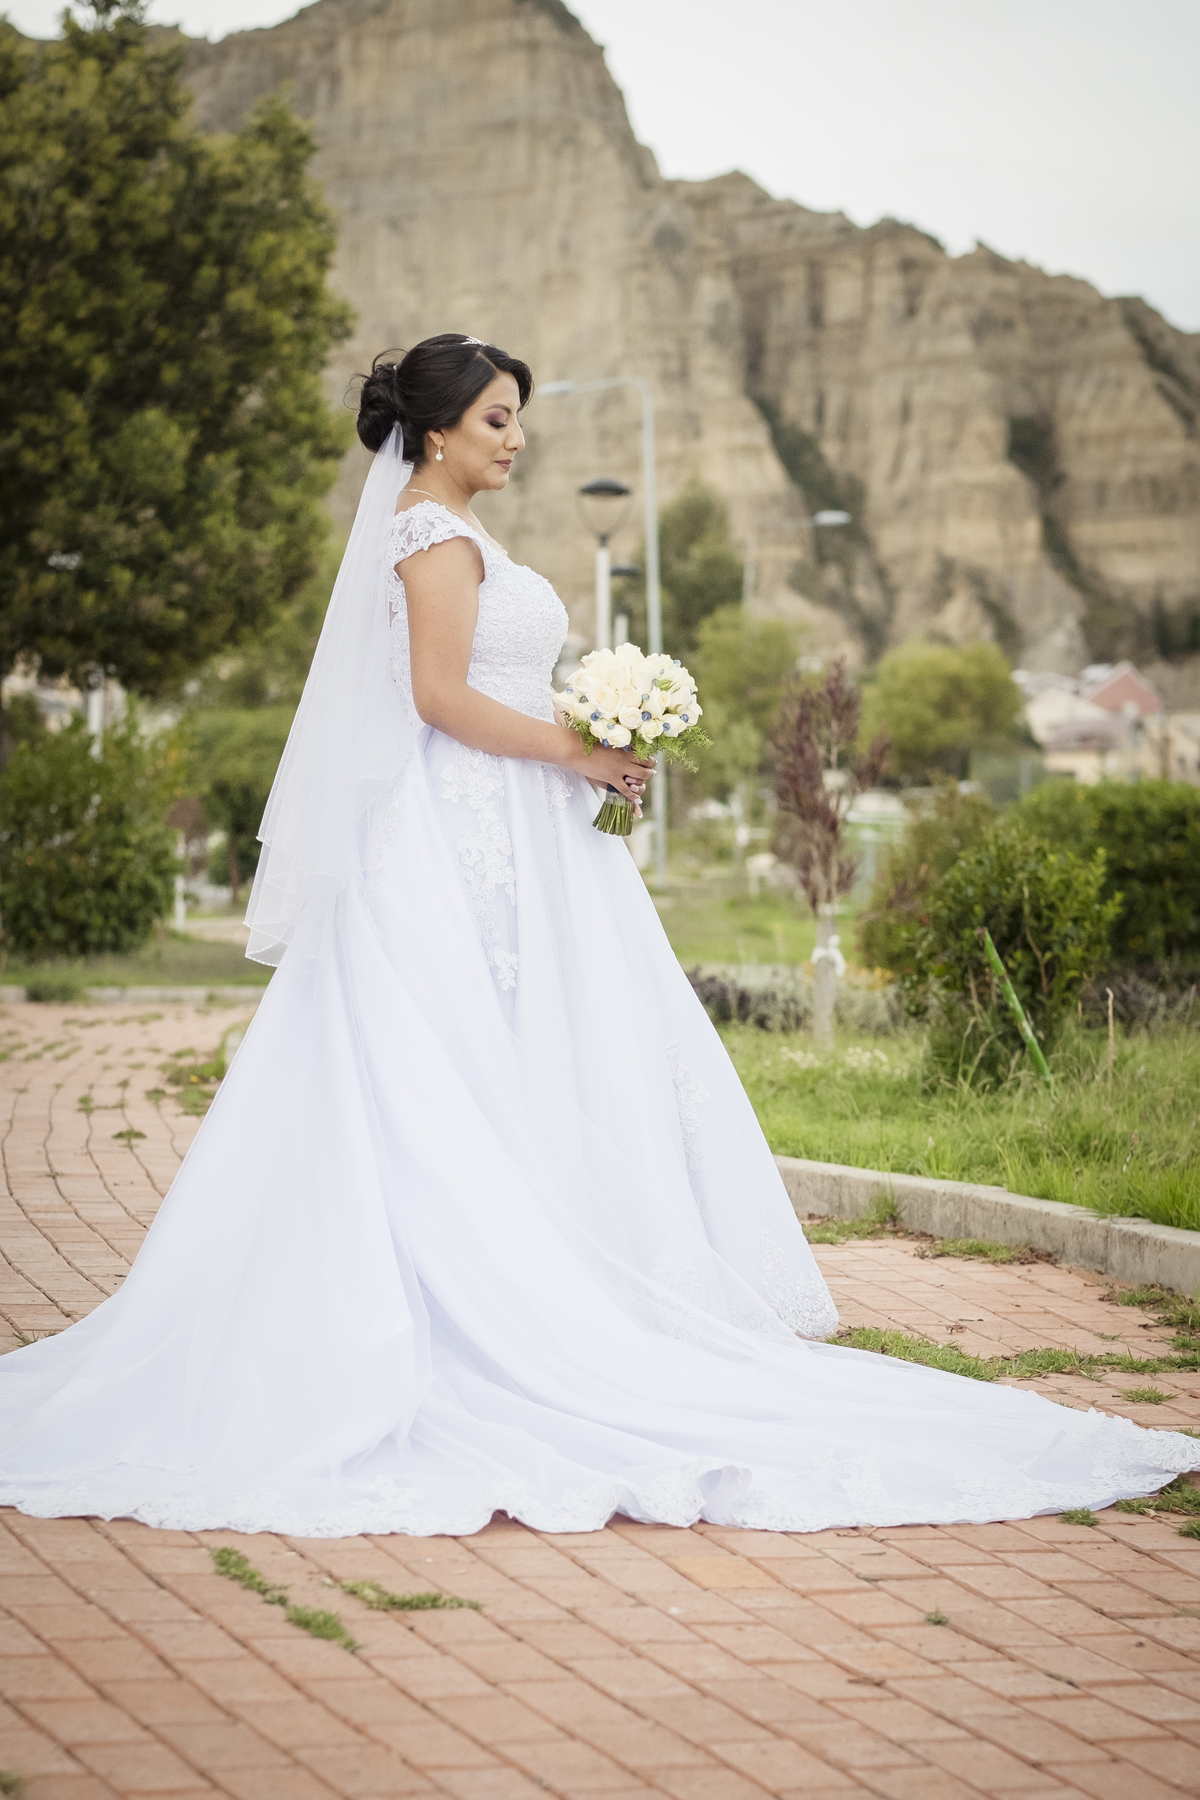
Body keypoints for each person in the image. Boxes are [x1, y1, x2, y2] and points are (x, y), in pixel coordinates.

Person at [0, 334, 1194, 1538]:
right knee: (458, 1062)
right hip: (456, 840)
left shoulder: (456, 528)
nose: (515, 438)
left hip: (517, 826)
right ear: (434, 432)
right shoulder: (429, 533)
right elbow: (442, 699)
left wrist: (592, 744)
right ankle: (476, 1307)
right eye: (496, 420)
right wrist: (581, 747)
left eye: (518, 419)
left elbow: (497, 689)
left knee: (535, 1055)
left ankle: (562, 1275)